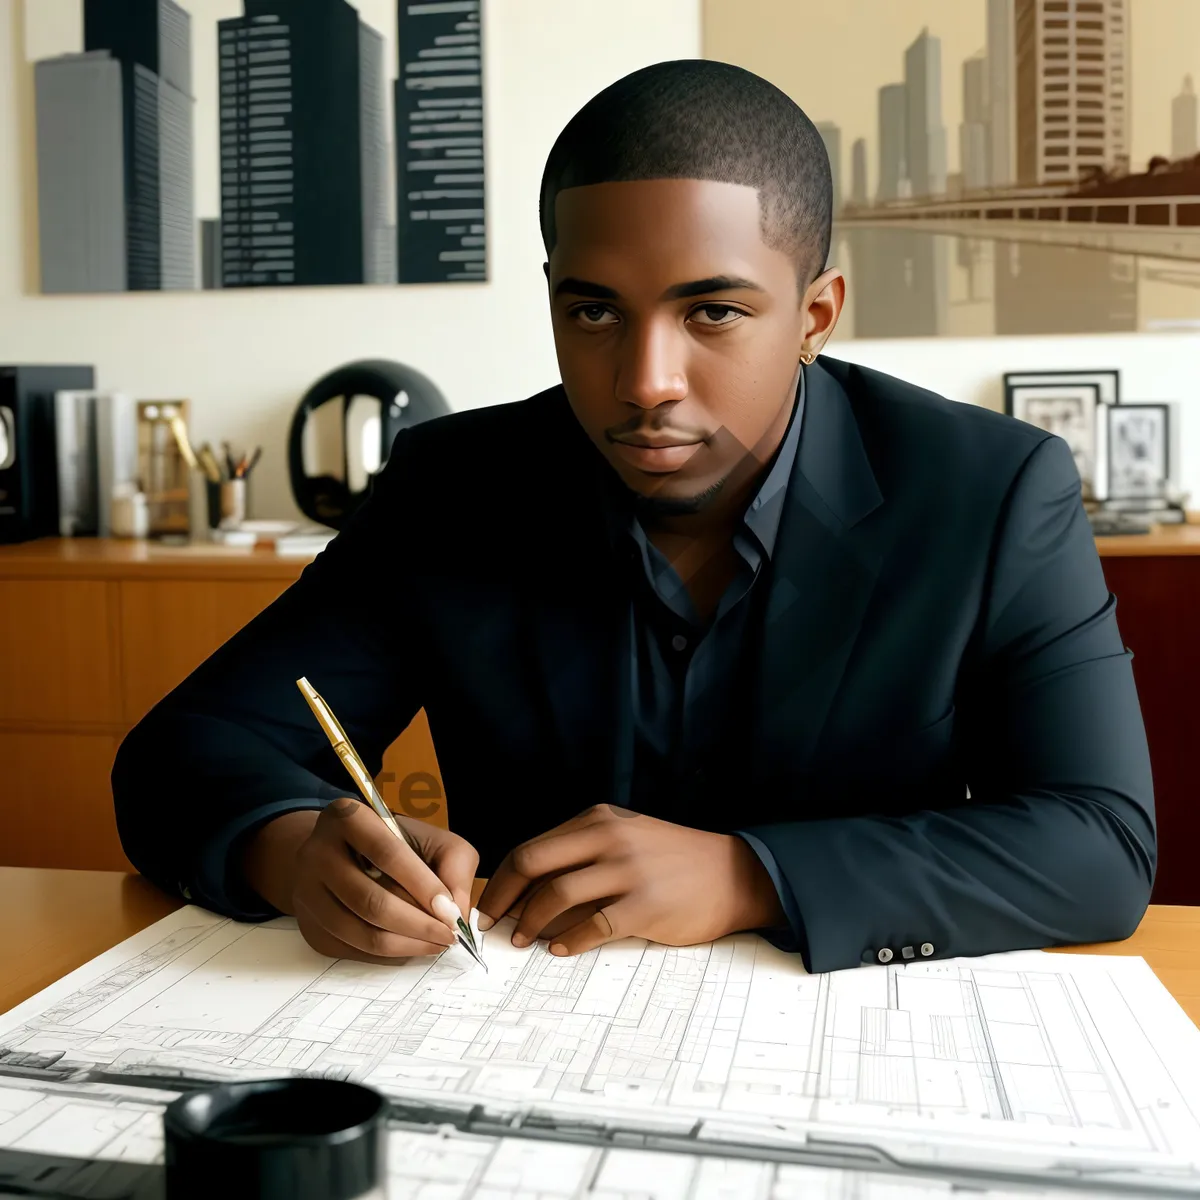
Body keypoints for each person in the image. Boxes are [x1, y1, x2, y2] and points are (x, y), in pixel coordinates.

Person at [111, 60, 1155, 974]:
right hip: (513, 1048)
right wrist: (289, 848)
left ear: (817, 315)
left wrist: (753, 877)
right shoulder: (452, 487)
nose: (645, 381)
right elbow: (183, 754)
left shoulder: (992, 490)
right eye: (594, 310)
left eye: (713, 312)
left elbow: (1100, 845)